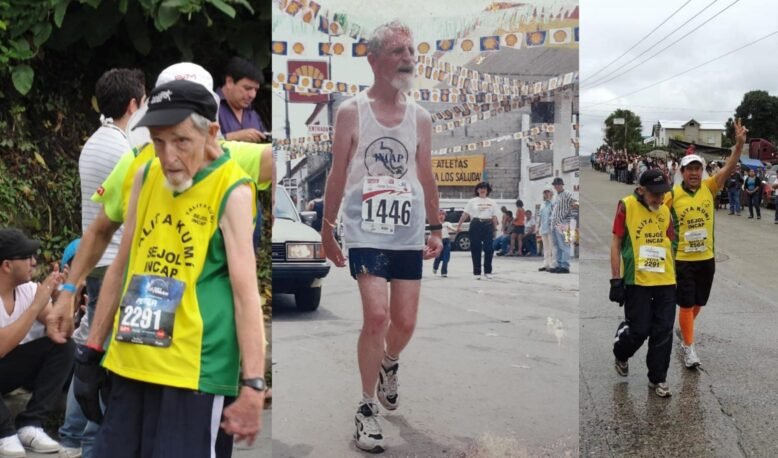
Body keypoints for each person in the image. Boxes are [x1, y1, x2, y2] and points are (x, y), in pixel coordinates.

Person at [68, 80, 266, 456]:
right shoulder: (146, 175)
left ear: (211, 132)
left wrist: (253, 383)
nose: (168, 156)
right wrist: (92, 350)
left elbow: (246, 295)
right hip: (131, 362)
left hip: (193, 372)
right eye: (158, 141)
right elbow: (121, 266)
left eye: (180, 141)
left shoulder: (232, 189)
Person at [318, 20, 441, 454]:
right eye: (397, 51)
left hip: (407, 231)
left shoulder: (421, 117)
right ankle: (367, 408)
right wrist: (327, 228)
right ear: (372, 60)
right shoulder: (352, 111)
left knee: (404, 323)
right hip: (365, 229)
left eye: (411, 50)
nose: (408, 58)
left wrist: (437, 226)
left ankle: (389, 363)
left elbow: (425, 173)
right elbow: (336, 173)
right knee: (377, 317)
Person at [57, 67, 145, 458]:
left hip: (95, 261)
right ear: (133, 104)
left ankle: (73, 434)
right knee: (103, 353)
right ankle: (88, 438)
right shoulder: (122, 150)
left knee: (92, 346)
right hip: (113, 265)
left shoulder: (95, 141)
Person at [664, 119, 746, 369]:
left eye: (697, 169)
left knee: (699, 302)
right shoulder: (672, 195)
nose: (693, 173)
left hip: (706, 258)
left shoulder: (710, 188)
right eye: (689, 169)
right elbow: (654, 213)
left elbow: (729, 169)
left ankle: (684, 328)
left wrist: (739, 145)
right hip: (683, 260)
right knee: (686, 303)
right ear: (682, 172)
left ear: (702, 171)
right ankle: (689, 347)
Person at [0, 229, 70, 456]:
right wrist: (35, 307)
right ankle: (4, 432)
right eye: (27, 257)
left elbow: (59, 332)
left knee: (63, 346)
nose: (34, 262)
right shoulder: (33, 297)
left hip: (10, 372)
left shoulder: (28, 290)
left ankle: (31, 424)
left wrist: (65, 298)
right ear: (7, 265)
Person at [610, 169, 676, 397]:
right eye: (654, 194)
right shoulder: (626, 206)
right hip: (637, 280)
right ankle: (621, 351)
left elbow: (670, 242)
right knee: (639, 331)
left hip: (666, 279)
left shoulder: (666, 211)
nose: (659, 199)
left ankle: (657, 379)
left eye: (662, 194)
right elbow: (616, 243)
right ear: (641, 190)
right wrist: (616, 279)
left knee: (663, 331)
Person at [217, 57, 267, 143]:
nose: (253, 95)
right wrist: (234, 136)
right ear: (229, 82)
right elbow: (199, 145)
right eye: (247, 88)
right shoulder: (209, 106)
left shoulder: (253, 113)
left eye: (256, 90)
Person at [457, 182, 500, 279]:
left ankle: (488, 271)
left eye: (484, 188)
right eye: (480, 188)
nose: (482, 190)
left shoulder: (492, 202)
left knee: (489, 248)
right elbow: (465, 214)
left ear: (488, 190)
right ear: (477, 190)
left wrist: (495, 228)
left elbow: (494, 216)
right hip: (476, 224)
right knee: (476, 248)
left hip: (488, 224)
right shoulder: (472, 201)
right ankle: (477, 272)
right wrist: (459, 225)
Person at [549, 177, 578, 274]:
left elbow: (575, 203)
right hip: (555, 223)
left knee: (564, 245)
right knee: (557, 246)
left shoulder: (567, 194)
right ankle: (559, 264)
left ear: (562, 185)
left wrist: (568, 216)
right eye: (555, 185)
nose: (556, 186)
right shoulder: (556, 196)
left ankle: (565, 266)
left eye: (558, 184)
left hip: (563, 223)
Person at [432, 209, 454, 277]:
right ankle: (435, 267)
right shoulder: (435, 224)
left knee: (446, 258)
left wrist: (457, 229)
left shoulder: (447, 223)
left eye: (443, 215)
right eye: (440, 214)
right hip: (438, 241)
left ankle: (444, 272)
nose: (441, 216)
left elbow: (452, 228)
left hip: (446, 241)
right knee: (438, 257)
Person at [538, 186, 555, 271]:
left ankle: (552, 264)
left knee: (551, 247)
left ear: (551, 193)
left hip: (551, 228)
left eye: (548, 192)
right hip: (543, 228)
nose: (546, 194)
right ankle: (545, 263)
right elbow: (540, 217)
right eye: (545, 192)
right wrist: (538, 227)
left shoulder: (554, 203)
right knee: (545, 247)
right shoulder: (542, 204)